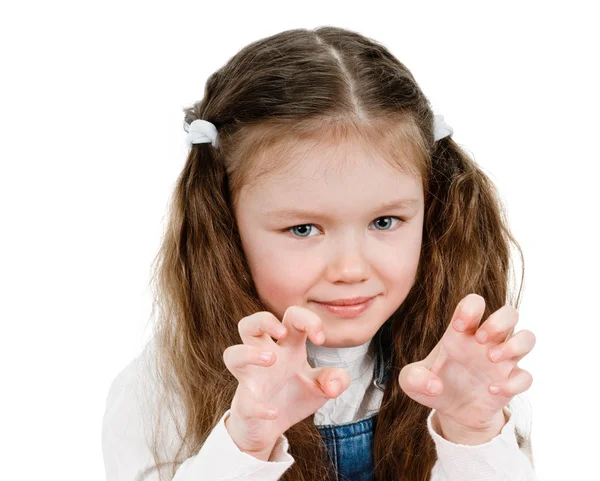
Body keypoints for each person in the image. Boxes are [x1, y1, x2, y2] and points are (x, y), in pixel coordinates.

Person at [101, 26, 538, 481]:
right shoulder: (162, 389)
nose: (350, 269)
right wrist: (245, 445)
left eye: (384, 222)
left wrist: (473, 431)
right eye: (304, 229)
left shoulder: (461, 371)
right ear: (226, 227)